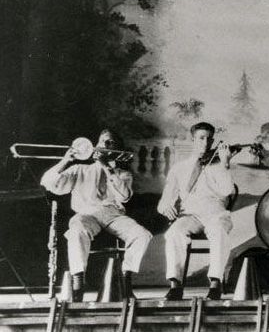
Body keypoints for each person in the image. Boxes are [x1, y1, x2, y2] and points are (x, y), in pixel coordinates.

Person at [40, 129, 152, 302]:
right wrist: (65, 161)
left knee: (142, 235)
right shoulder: (79, 169)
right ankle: (78, 284)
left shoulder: (123, 174)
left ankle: (125, 280)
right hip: (86, 214)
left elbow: (125, 196)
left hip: (114, 216)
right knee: (76, 229)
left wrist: (107, 167)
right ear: (96, 145)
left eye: (110, 143)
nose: (105, 145)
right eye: (102, 142)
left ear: (116, 149)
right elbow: (49, 183)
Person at [158, 122, 235, 300]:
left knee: (218, 231)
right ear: (193, 140)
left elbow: (227, 191)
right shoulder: (179, 168)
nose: (205, 143)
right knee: (173, 233)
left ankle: (215, 283)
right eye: (201, 138)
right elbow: (163, 202)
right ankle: (175, 285)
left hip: (216, 213)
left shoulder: (220, 165)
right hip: (191, 215)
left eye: (209, 139)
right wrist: (166, 207)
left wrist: (225, 164)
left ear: (213, 141)